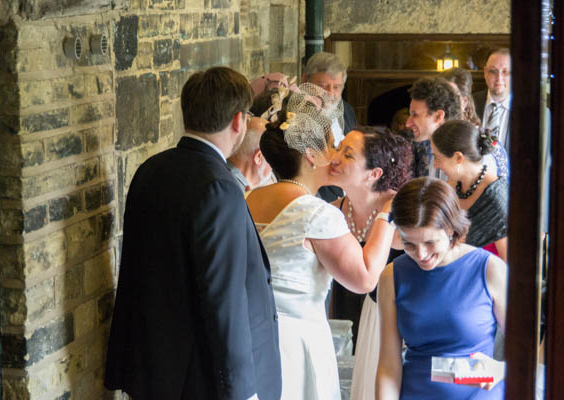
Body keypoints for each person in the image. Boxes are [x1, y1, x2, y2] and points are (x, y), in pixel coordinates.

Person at [104, 67, 282, 400]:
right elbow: (225, 298)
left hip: (151, 366)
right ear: (238, 121)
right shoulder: (220, 187)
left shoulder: (151, 169)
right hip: (199, 378)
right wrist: (242, 391)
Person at [246, 84, 396, 400]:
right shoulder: (317, 214)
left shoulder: (249, 198)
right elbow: (365, 278)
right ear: (311, 156)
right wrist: (387, 212)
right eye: (332, 147)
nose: (336, 157)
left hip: (252, 335)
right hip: (296, 344)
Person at [376, 177, 508, 400]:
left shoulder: (490, 269)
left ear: (451, 229)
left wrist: (500, 369)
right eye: (409, 244)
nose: (421, 255)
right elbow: (389, 364)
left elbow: (526, 354)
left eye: (430, 242)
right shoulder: (392, 276)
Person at [326, 126, 412, 400]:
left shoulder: (404, 212)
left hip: (398, 326)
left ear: (374, 174)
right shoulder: (332, 212)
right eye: (338, 149)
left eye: (348, 155)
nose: (335, 158)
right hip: (350, 323)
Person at [431, 119, 508, 261]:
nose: (435, 165)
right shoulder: (454, 182)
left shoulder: (497, 200)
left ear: (458, 157)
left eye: (437, 158)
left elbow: (510, 264)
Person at [303, 51, 359, 202]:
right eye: (322, 86)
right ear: (305, 81)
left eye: (337, 87)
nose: (330, 93)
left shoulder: (347, 111)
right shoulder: (295, 118)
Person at [440, 67, 509, 179]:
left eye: (450, 97)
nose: (441, 104)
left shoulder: (486, 142)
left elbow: (501, 184)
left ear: (464, 101)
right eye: (438, 97)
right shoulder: (427, 139)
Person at [405, 77, 461, 178]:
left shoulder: (461, 159)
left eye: (415, 115)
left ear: (438, 116)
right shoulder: (420, 150)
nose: (407, 123)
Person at [472, 48, 512, 154]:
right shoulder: (469, 103)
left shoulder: (531, 111)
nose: (499, 78)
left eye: (506, 72)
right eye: (493, 71)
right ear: (485, 72)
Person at [227, 116, 273, 191]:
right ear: (259, 157)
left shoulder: (218, 167)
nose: (273, 167)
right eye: (273, 158)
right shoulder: (234, 191)